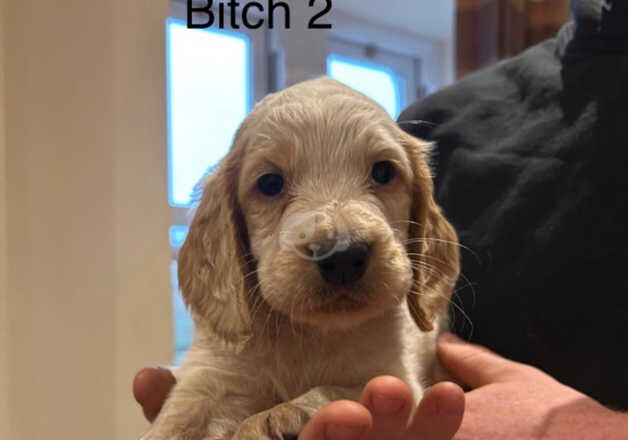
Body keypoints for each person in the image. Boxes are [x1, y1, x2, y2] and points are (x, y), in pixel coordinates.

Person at [134, 0, 628, 437]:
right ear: (229, 227)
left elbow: (398, 391)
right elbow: (205, 399)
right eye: (271, 185)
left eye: (381, 173)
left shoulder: (389, 320)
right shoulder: (449, 115)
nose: (340, 241)